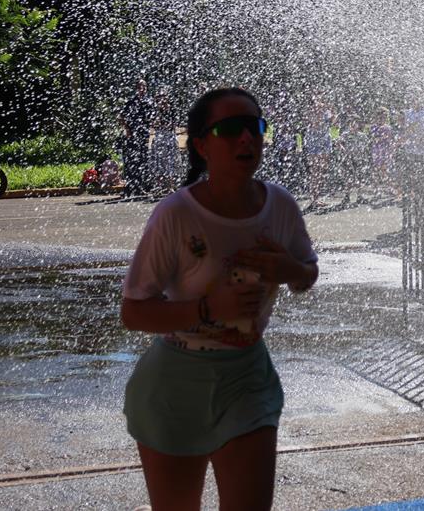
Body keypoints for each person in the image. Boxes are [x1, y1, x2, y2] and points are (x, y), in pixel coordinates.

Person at [121, 87, 319, 510]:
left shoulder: (280, 205)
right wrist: (210, 309)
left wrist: (291, 271)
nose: (247, 138)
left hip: (247, 379)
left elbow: (307, 275)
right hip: (174, 387)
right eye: (230, 129)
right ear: (201, 145)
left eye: (255, 126)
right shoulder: (175, 214)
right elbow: (134, 311)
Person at [119, 79, 154, 196]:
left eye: (144, 86)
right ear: (136, 88)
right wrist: (127, 130)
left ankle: (142, 187)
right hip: (132, 136)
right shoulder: (131, 102)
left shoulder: (149, 102)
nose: (142, 89)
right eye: (140, 86)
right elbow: (121, 117)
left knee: (143, 161)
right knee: (131, 162)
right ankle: (130, 188)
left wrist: (151, 132)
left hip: (143, 136)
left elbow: (152, 119)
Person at [303, 98, 333, 212]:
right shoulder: (311, 114)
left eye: (321, 104)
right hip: (315, 143)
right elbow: (315, 125)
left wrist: (331, 114)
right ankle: (314, 200)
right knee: (315, 171)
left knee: (321, 170)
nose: (320, 106)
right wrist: (320, 114)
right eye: (318, 105)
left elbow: (333, 123)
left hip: (325, 141)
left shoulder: (326, 112)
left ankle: (317, 198)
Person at [149, 88, 180, 194]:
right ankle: (159, 186)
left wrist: (166, 125)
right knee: (159, 161)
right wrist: (157, 115)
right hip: (159, 136)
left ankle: (170, 186)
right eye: (160, 97)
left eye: (163, 97)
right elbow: (153, 124)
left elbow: (174, 123)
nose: (162, 99)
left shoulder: (172, 109)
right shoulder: (156, 110)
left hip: (169, 136)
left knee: (170, 160)